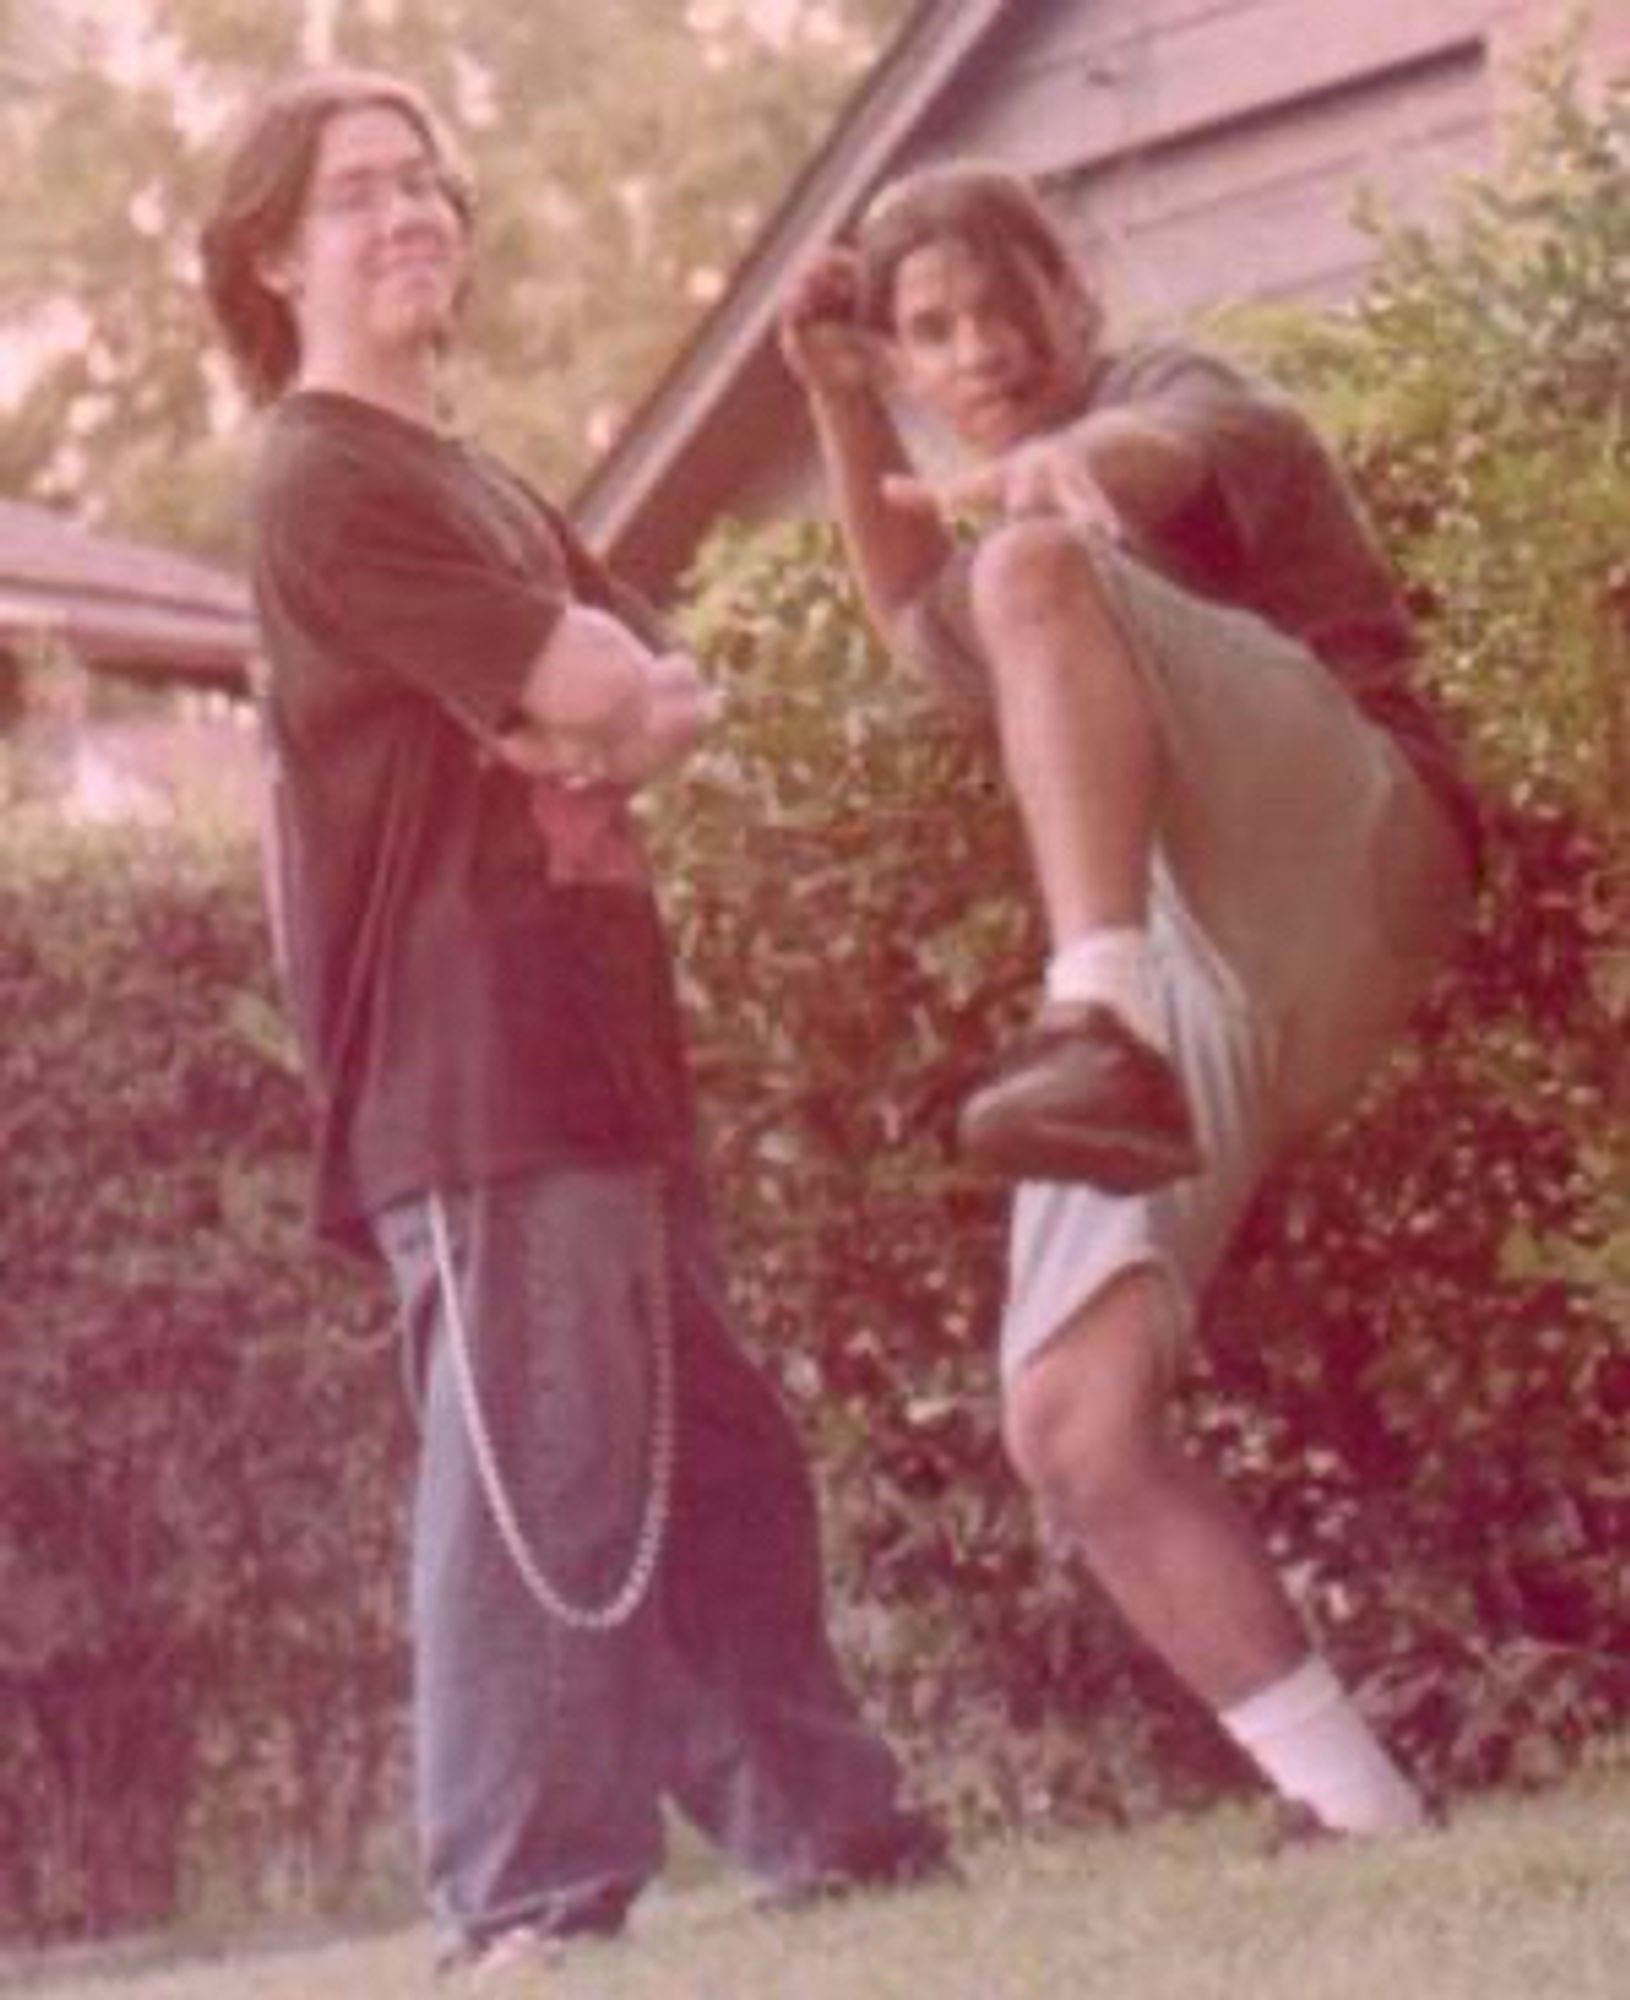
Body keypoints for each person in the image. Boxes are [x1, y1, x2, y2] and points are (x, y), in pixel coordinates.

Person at [200, 67, 945, 1978]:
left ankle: (828, 1827)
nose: (408, 215)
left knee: (714, 1461)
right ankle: (521, 1897)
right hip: (471, 1057)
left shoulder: (476, 478)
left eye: (422, 180)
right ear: (276, 258)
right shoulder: (322, 474)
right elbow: (575, 675)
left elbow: (652, 691)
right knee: (540, 1479)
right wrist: (569, 695)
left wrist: (581, 702)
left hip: (598, 1029)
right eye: (355, 195)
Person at [779, 161, 1479, 1839]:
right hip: (1199, 960)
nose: (974, 353)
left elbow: (1129, 467)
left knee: (1028, 566)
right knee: (1071, 1429)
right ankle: (1357, 1813)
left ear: (1069, 297)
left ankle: (1087, 1021)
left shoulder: (1180, 393)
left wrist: (1064, 466)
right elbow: (906, 617)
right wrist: (825, 396)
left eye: (996, 308)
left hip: (1358, 837)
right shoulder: (992, 568)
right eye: (925, 334)